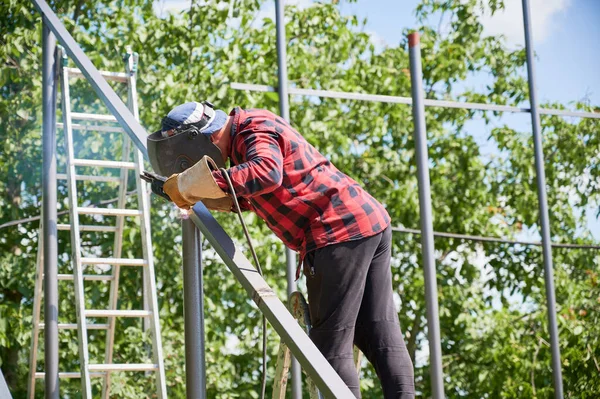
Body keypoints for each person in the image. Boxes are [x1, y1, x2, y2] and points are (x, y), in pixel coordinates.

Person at [147, 101, 415, 398]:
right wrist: (190, 192)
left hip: (337, 231)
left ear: (199, 138)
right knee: (375, 331)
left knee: (330, 348)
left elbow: (265, 173)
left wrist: (188, 184)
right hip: (366, 220)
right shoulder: (244, 139)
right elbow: (250, 196)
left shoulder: (252, 130)